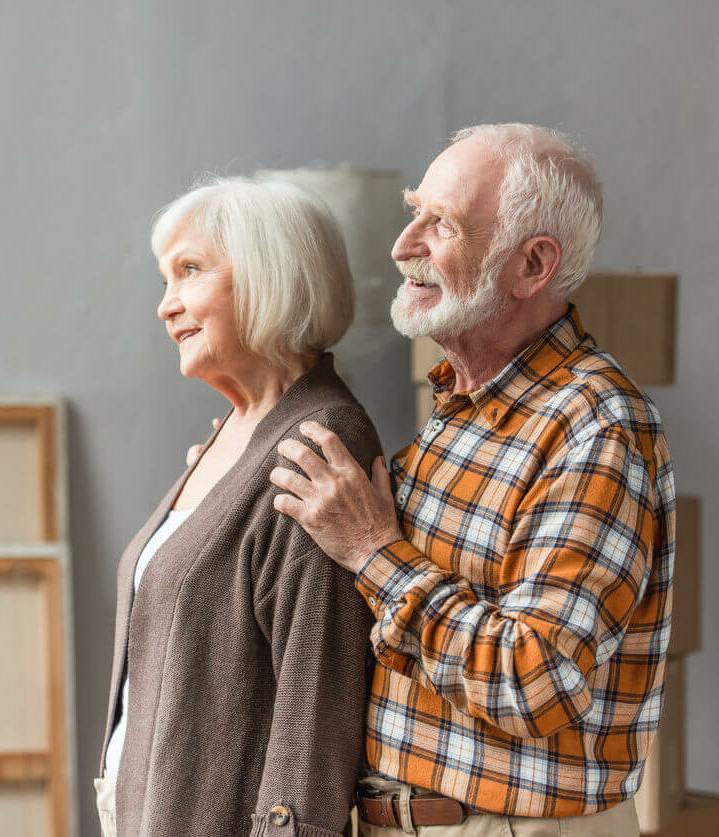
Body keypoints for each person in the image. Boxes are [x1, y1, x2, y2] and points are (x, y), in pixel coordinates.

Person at [270, 124, 674, 835]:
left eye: (442, 223)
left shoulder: (597, 427)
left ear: (531, 266)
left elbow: (532, 680)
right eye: (412, 210)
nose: (402, 246)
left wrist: (374, 550)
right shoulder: (459, 411)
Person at [97, 175, 381, 836]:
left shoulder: (317, 443)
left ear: (268, 277)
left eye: (190, 271)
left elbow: (316, 699)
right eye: (164, 281)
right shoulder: (237, 430)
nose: (167, 306)